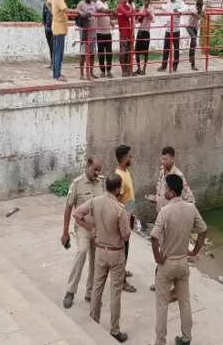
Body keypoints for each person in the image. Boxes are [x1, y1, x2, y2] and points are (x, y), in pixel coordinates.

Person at [151, 174, 207, 345]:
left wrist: (158, 258)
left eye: (166, 189)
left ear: (171, 191)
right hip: (183, 262)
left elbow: (154, 237)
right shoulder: (191, 208)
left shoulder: (165, 211)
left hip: (167, 263)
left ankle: (160, 341)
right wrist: (194, 251)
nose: (164, 191)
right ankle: (186, 337)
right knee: (185, 301)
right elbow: (203, 230)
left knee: (162, 305)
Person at [73, 174, 131, 343]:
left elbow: (77, 214)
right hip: (115, 252)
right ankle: (114, 329)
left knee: (97, 288)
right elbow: (126, 236)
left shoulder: (95, 201)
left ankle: (93, 321)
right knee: (115, 292)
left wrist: (91, 227)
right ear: (118, 189)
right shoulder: (120, 209)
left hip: (100, 250)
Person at [61, 157, 105, 309]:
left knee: (96, 260)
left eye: (99, 170)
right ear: (88, 165)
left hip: (98, 228)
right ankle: (70, 291)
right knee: (82, 251)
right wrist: (65, 232)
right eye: (95, 169)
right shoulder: (77, 184)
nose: (97, 173)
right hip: (82, 227)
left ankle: (90, 293)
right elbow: (68, 208)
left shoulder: (101, 183)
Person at [114, 145, 137, 293]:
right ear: (123, 158)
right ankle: (121, 280)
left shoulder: (126, 171)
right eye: (129, 155)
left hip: (129, 216)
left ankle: (122, 271)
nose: (131, 157)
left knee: (125, 247)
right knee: (123, 249)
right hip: (123, 219)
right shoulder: (119, 177)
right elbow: (116, 201)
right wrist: (123, 220)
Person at [148, 146, 195, 213]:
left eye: (165, 159)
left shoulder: (178, 176)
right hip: (161, 213)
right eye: (162, 158)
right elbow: (161, 192)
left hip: (172, 215)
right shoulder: (162, 171)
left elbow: (190, 199)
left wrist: (184, 215)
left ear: (172, 159)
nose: (162, 162)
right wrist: (156, 199)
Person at [159, 0, 185, 72]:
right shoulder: (168, 2)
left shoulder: (180, 2)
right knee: (166, 48)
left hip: (176, 30)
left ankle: (175, 66)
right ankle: (164, 66)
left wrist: (179, 11)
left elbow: (186, 8)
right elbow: (163, 7)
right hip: (168, 29)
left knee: (176, 49)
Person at [76, 0, 98, 80]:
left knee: (92, 53)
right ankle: (82, 74)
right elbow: (76, 11)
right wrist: (82, 13)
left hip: (93, 32)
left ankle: (91, 72)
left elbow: (98, 12)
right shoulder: (81, 4)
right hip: (84, 32)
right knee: (83, 53)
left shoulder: (94, 4)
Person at [50, 0, 69, 82]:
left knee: (57, 52)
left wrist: (54, 14)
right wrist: (79, 11)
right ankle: (57, 75)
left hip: (58, 28)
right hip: (59, 29)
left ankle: (57, 73)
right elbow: (66, 10)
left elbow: (47, 3)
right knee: (58, 53)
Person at [95, 0, 113, 78]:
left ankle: (109, 71)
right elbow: (103, 10)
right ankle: (102, 71)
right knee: (101, 53)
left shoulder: (106, 3)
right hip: (100, 33)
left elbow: (107, 13)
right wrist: (112, 11)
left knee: (109, 53)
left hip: (108, 32)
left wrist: (111, 21)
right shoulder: (98, 3)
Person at [134, 0, 153, 76]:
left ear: (149, 0)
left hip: (146, 31)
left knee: (145, 52)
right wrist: (138, 16)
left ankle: (144, 69)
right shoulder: (141, 8)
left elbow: (153, 19)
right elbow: (138, 20)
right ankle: (139, 68)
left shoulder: (151, 8)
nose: (146, 1)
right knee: (136, 51)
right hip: (140, 30)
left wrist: (148, 13)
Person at [116, 0, 134, 77]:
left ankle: (127, 70)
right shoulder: (119, 6)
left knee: (127, 52)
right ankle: (123, 71)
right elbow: (128, 14)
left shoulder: (125, 6)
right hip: (123, 33)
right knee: (123, 52)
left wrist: (131, 9)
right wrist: (131, 9)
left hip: (128, 32)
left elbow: (133, 11)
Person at [185, 0, 204, 71]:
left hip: (195, 28)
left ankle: (192, 64)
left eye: (201, 6)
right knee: (193, 40)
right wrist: (200, 14)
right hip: (189, 27)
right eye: (199, 6)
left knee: (193, 45)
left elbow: (204, 16)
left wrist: (202, 13)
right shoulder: (193, 9)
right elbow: (196, 15)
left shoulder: (201, 10)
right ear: (197, 5)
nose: (200, 7)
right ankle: (191, 58)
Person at [43, 0, 55, 69]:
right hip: (47, 28)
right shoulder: (45, 4)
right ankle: (52, 63)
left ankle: (54, 63)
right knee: (50, 46)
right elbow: (43, 15)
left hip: (54, 28)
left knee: (54, 46)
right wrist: (45, 25)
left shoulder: (56, 4)